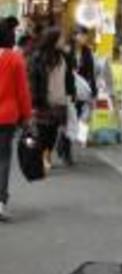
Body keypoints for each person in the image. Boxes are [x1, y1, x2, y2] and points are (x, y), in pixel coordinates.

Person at [0, 19, 33, 220]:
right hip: (6, 117)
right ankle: (0, 203)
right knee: (3, 159)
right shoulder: (15, 59)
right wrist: (27, 117)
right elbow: (23, 92)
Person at [29, 27, 75, 171]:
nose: (64, 41)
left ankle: (47, 154)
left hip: (60, 100)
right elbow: (33, 79)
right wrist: (35, 98)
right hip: (43, 100)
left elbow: (69, 77)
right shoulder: (38, 56)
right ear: (53, 39)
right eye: (61, 38)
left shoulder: (64, 57)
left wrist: (71, 93)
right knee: (43, 132)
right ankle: (43, 156)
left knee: (53, 132)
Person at [69, 26, 97, 116]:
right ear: (74, 36)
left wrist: (94, 93)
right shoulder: (68, 50)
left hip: (82, 89)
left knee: (79, 114)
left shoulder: (87, 51)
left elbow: (91, 72)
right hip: (69, 90)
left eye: (85, 36)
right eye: (81, 35)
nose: (84, 38)